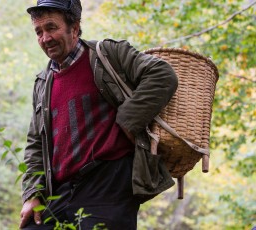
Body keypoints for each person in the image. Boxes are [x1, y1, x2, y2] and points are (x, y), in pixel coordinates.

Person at [20, 0, 178, 229]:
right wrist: (32, 193)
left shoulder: (106, 55)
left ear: (74, 28)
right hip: (60, 191)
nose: (45, 38)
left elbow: (162, 74)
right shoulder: (43, 82)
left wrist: (127, 120)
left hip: (109, 184)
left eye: (51, 28)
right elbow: (35, 144)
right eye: (39, 31)